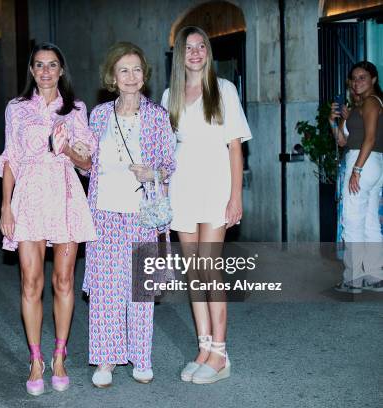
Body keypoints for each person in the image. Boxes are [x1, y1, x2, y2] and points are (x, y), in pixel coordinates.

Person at [0, 42, 96, 396]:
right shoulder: (17, 108)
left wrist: (66, 146)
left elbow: (87, 164)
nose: (45, 71)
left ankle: (59, 355)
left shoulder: (77, 109)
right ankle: (35, 358)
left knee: (64, 280)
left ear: (61, 70)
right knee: (30, 281)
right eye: (39, 65)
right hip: (28, 196)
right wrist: (5, 206)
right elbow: (10, 157)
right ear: (31, 70)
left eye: (52, 65)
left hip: (66, 194)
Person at [162, 26, 252, 384]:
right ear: (180, 54)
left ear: (208, 52)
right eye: (189, 47)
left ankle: (221, 353)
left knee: (209, 267)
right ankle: (203, 347)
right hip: (182, 186)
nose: (195, 52)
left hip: (215, 184)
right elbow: (166, 149)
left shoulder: (224, 89)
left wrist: (236, 196)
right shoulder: (172, 94)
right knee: (192, 270)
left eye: (201, 46)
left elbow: (235, 147)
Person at [83, 42, 176, 387]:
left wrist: (152, 172)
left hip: (142, 214)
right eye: (124, 70)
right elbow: (87, 166)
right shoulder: (98, 115)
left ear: (144, 75)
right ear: (112, 76)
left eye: (137, 69)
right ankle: (105, 360)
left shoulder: (156, 116)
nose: (131, 76)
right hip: (104, 212)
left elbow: (169, 164)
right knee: (106, 291)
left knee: (140, 289)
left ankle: (141, 358)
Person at [329, 61, 383, 293]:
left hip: (363, 161)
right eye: (354, 78)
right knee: (370, 221)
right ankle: (374, 275)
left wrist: (356, 170)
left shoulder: (372, 102)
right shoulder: (359, 106)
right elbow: (342, 140)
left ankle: (353, 279)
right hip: (373, 163)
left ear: (373, 80)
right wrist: (336, 120)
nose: (357, 81)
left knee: (351, 221)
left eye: (363, 77)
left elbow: (369, 138)